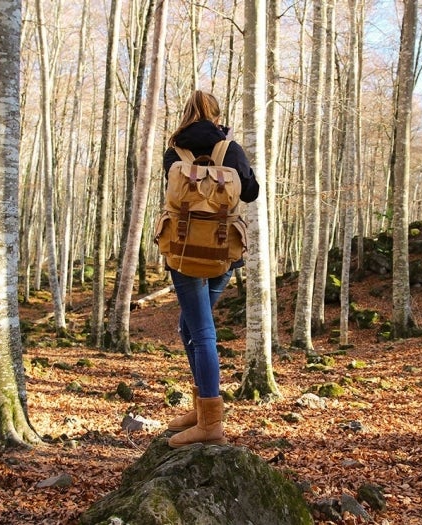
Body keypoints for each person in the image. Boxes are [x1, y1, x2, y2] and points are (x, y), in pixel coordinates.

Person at [162, 90, 259, 448]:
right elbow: (251, 192)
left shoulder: (175, 152)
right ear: (217, 116)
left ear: (186, 115)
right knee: (190, 327)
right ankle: (204, 410)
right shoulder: (229, 150)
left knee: (199, 331)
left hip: (184, 251)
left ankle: (210, 421)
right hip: (223, 253)